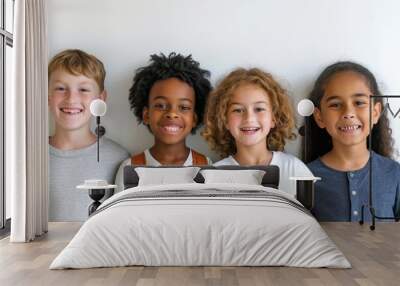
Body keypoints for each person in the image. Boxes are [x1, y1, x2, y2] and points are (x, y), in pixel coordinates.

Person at [305, 61, 400, 221]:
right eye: (335, 104)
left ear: (376, 112)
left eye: (359, 103)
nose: (348, 113)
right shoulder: (305, 177)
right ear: (319, 117)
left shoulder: (394, 174)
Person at [202, 68, 313, 196]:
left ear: (274, 118)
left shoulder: (294, 169)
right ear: (224, 120)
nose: (249, 118)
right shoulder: (214, 175)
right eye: (238, 110)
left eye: (259, 109)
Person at [48, 49, 129, 221]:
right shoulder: (23, 156)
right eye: (61, 88)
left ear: (100, 99)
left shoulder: (119, 158)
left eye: (83, 89)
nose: (71, 98)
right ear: (47, 96)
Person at [115, 53, 212, 193]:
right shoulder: (130, 167)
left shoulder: (206, 166)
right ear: (146, 115)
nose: (172, 114)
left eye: (184, 107)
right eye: (160, 105)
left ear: (195, 118)